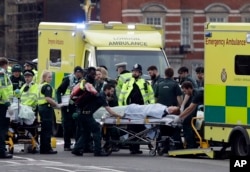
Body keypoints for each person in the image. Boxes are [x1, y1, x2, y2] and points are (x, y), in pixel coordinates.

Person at [72, 67, 121, 157]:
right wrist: (119, 116)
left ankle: (77, 149)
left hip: (81, 114)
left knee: (86, 133)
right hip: (87, 115)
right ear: (106, 90)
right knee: (96, 130)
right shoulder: (101, 97)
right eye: (111, 91)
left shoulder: (99, 94)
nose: (112, 93)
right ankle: (98, 151)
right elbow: (109, 110)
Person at [118, 63, 155, 154]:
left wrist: (151, 108)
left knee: (140, 128)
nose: (135, 73)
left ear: (140, 73)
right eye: (134, 71)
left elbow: (151, 96)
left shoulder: (145, 83)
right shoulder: (127, 83)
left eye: (137, 71)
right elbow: (122, 96)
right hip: (130, 109)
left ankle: (136, 147)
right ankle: (133, 147)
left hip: (141, 109)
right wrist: (121, 109)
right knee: (131, 128)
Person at [56, 66, 84, 151]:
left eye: (80, 73)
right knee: (67, 126)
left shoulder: (82, 81)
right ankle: (67, 145)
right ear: (75, 73)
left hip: (76, 105)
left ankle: (77, 145)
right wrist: (60, 102)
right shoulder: (68, 80)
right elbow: (59, 90)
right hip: (67, 106)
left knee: (77, 126)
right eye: (77, 73)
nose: (79, 74)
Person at [38, 70, 63, 154]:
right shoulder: (47, 87)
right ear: (44, 78)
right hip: (46, 109)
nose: (51, 79)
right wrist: (57, 105)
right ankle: (47, 148)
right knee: (47, 130)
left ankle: (43, 148)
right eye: (49, 77)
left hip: (41, 108)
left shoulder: (41, 85)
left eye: (51, 77)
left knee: (44, 129)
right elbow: (48, 98)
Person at [174, 81, 203, 149]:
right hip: (202, 110)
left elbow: (190, 108)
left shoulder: (197, 94)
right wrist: (183, 116)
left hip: (203, 110)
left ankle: (191, 145)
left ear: (189, 89)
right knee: (187, 120)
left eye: (185, 91)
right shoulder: (194, 92)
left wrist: (179, 117)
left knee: (186, 124)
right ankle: (192, 143)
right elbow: (191, 109)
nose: (185, 93)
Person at [0, 57, 13, 159]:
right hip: (2, 105)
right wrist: (8, 104)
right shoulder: (2, 74)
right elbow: (3, 90)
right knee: (2, 129)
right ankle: (1, 151)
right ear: (5, 65)